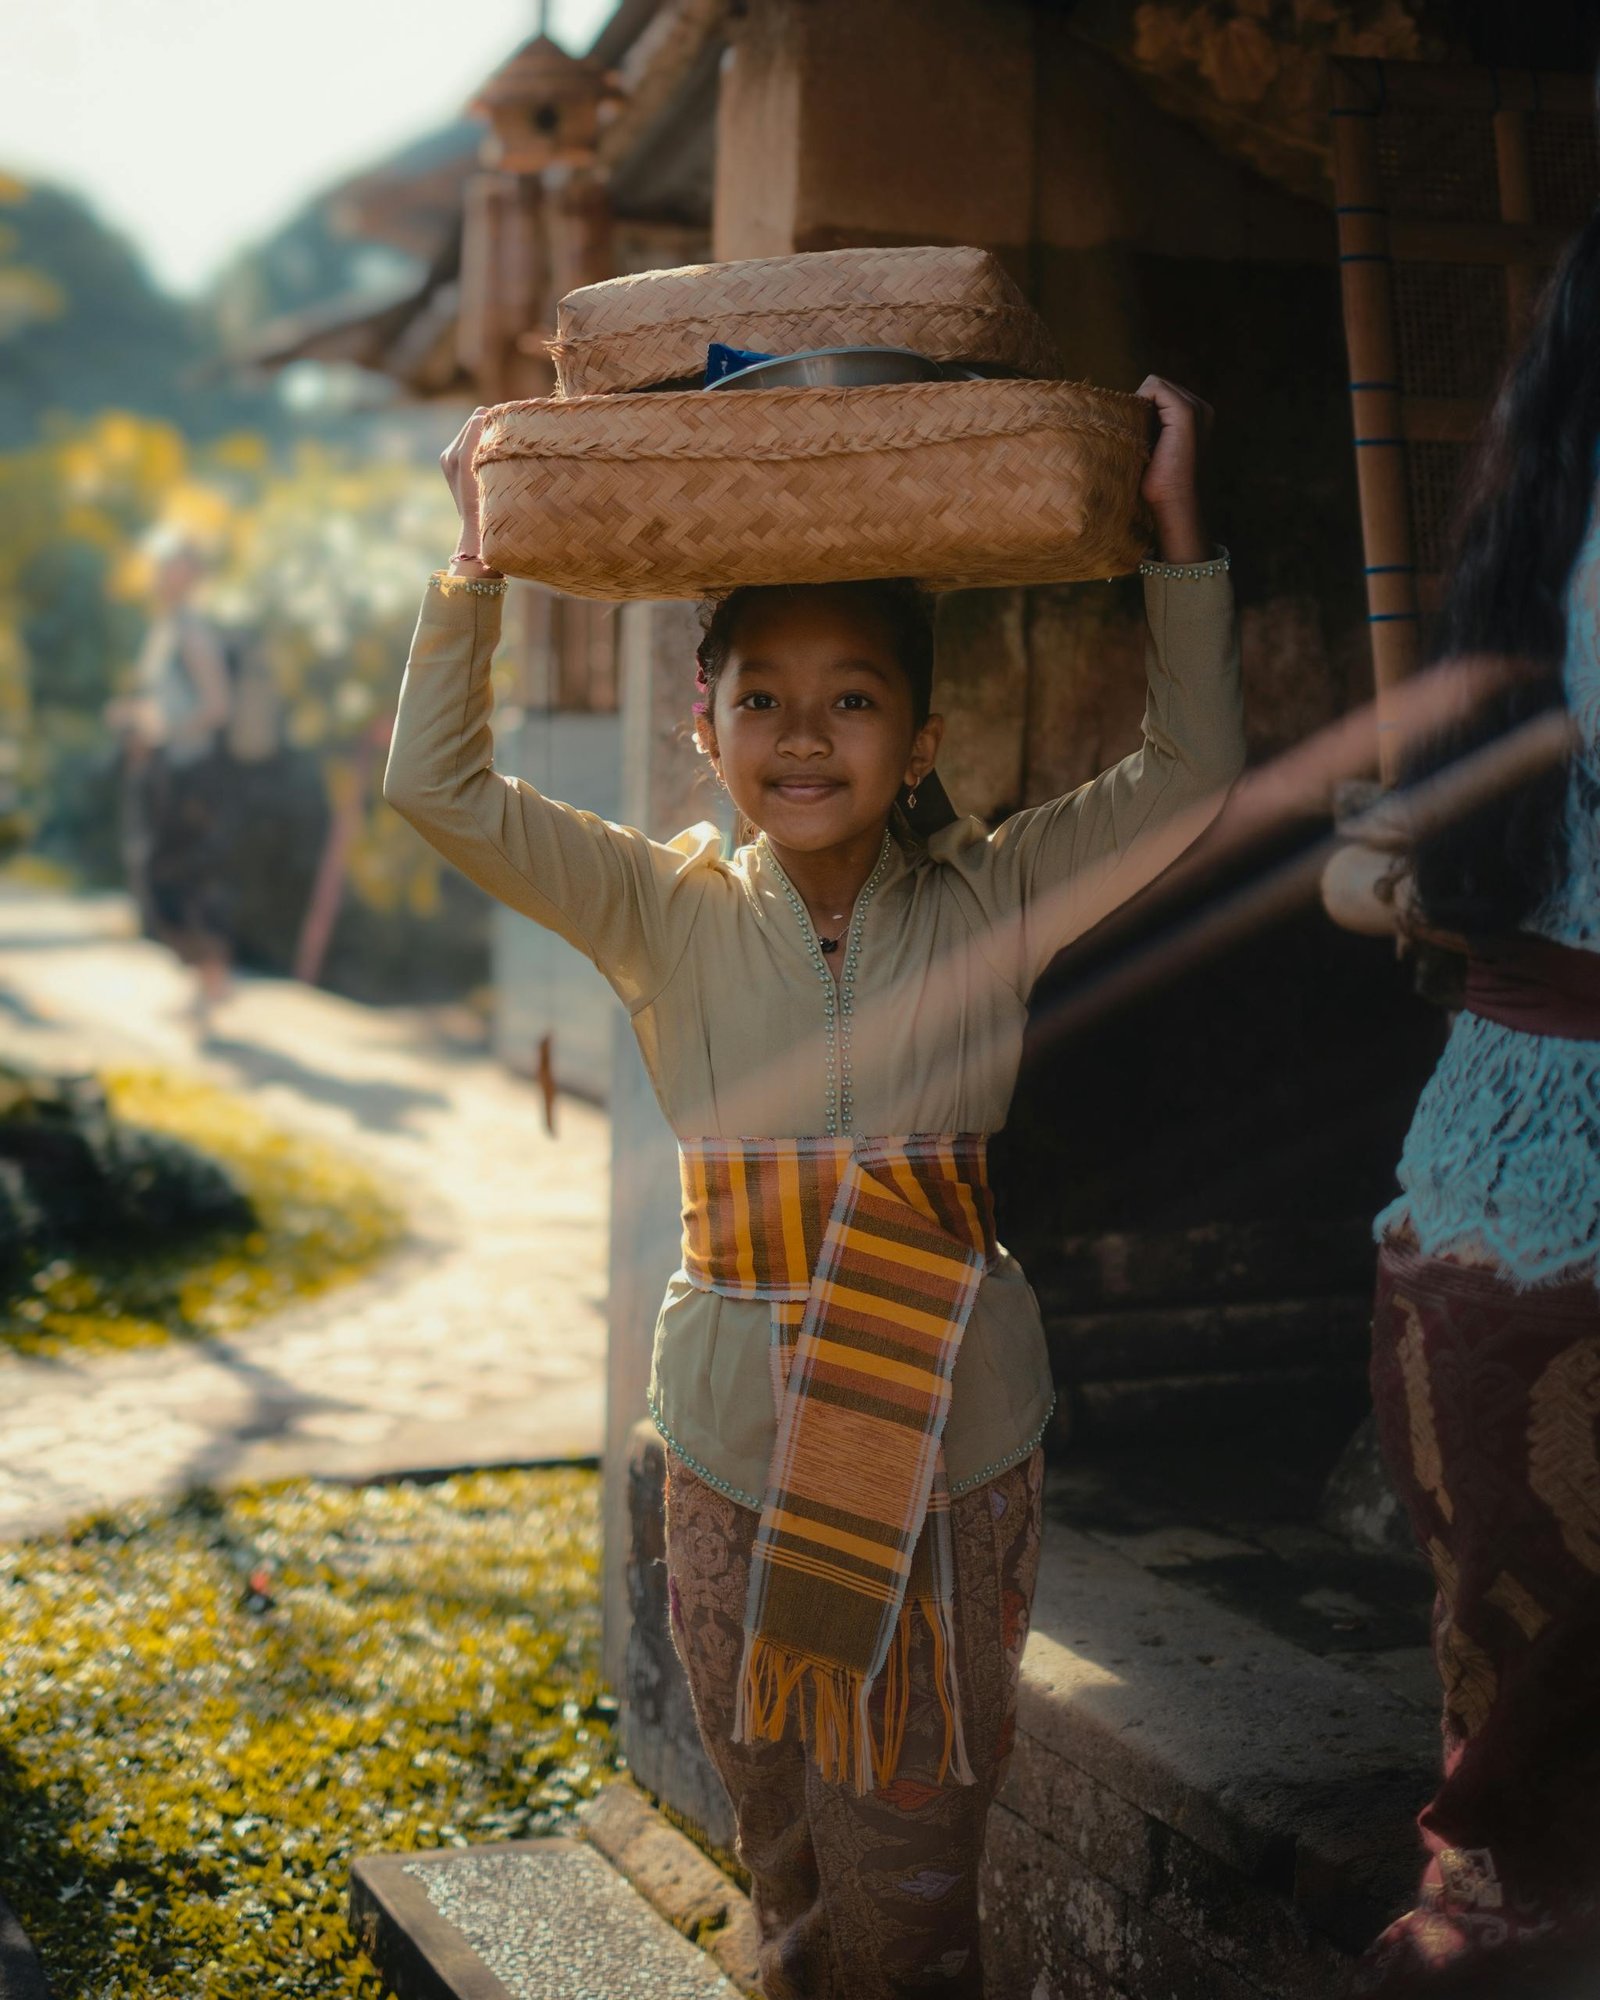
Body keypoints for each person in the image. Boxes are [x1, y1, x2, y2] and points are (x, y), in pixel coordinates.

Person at [383, 376, 1243, 1999]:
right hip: (726, 1435)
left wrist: (1175, 535)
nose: (801, 733)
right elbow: (437, 790)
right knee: (781, 1868)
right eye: (760, 698)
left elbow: (1192, 770)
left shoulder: (994, 896)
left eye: (852, 701)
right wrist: (477, 565)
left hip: (955, 1432)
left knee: (915, 1884)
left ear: (921, 738)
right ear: (699, 728)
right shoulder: (657, 906)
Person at [1348, 123, 1600, 2000]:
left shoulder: (1536, 536)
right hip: (1538, 1195)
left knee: (1519, 1788)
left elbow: (1401, 862)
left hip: (1492, 1189)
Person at [108, 531, 236, 1031]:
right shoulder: (164, 628)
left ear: (193, 575)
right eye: (162, 566)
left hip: (190, 773)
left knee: (180, 875)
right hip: (167, 769)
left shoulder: (192, 632)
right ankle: (205, 982)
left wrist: (163, 730)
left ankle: (212, 980)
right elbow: (162, 700)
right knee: (165, 875)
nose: (164, 575)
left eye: (175, 567)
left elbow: (216, 707)